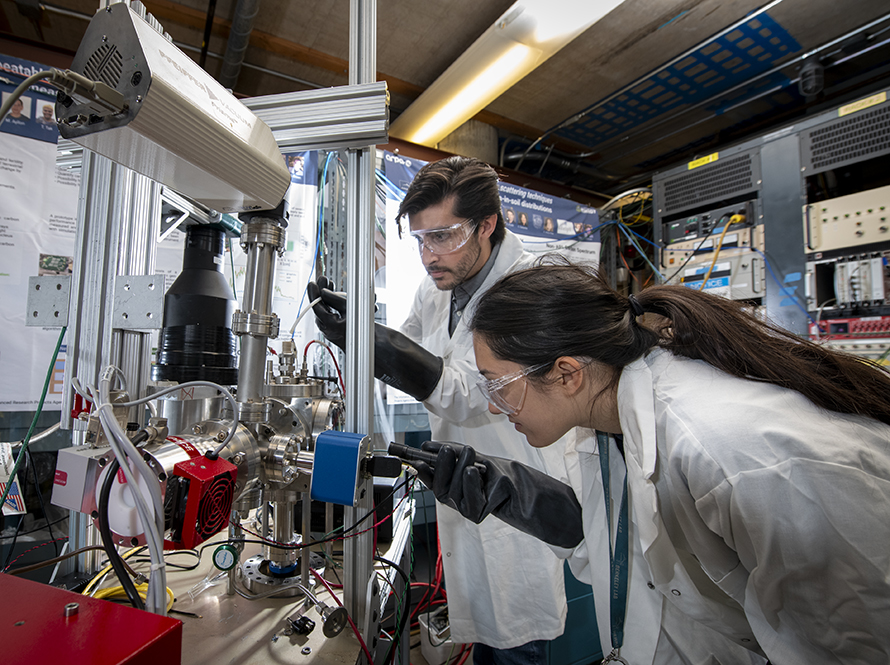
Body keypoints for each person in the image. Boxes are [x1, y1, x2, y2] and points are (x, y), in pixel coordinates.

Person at [419, 258, 890, 665]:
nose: (495, 407)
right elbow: (635, 560)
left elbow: (853, 642)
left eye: (497, 385)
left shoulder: (731, 453)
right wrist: (525, 501)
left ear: (566, 374)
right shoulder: (601, 420)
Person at [309, 157, 574, 665]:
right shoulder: (437, 287)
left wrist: (380, 345)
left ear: (487, 225)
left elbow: (478, 395)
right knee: (483, 637)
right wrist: (360, 325)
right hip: (464, 483)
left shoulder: (528, 289)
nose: (430, 255)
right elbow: (409, 345)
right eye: (421, 240)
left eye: (444, 236)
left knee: (516, 643)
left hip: (515, 491)